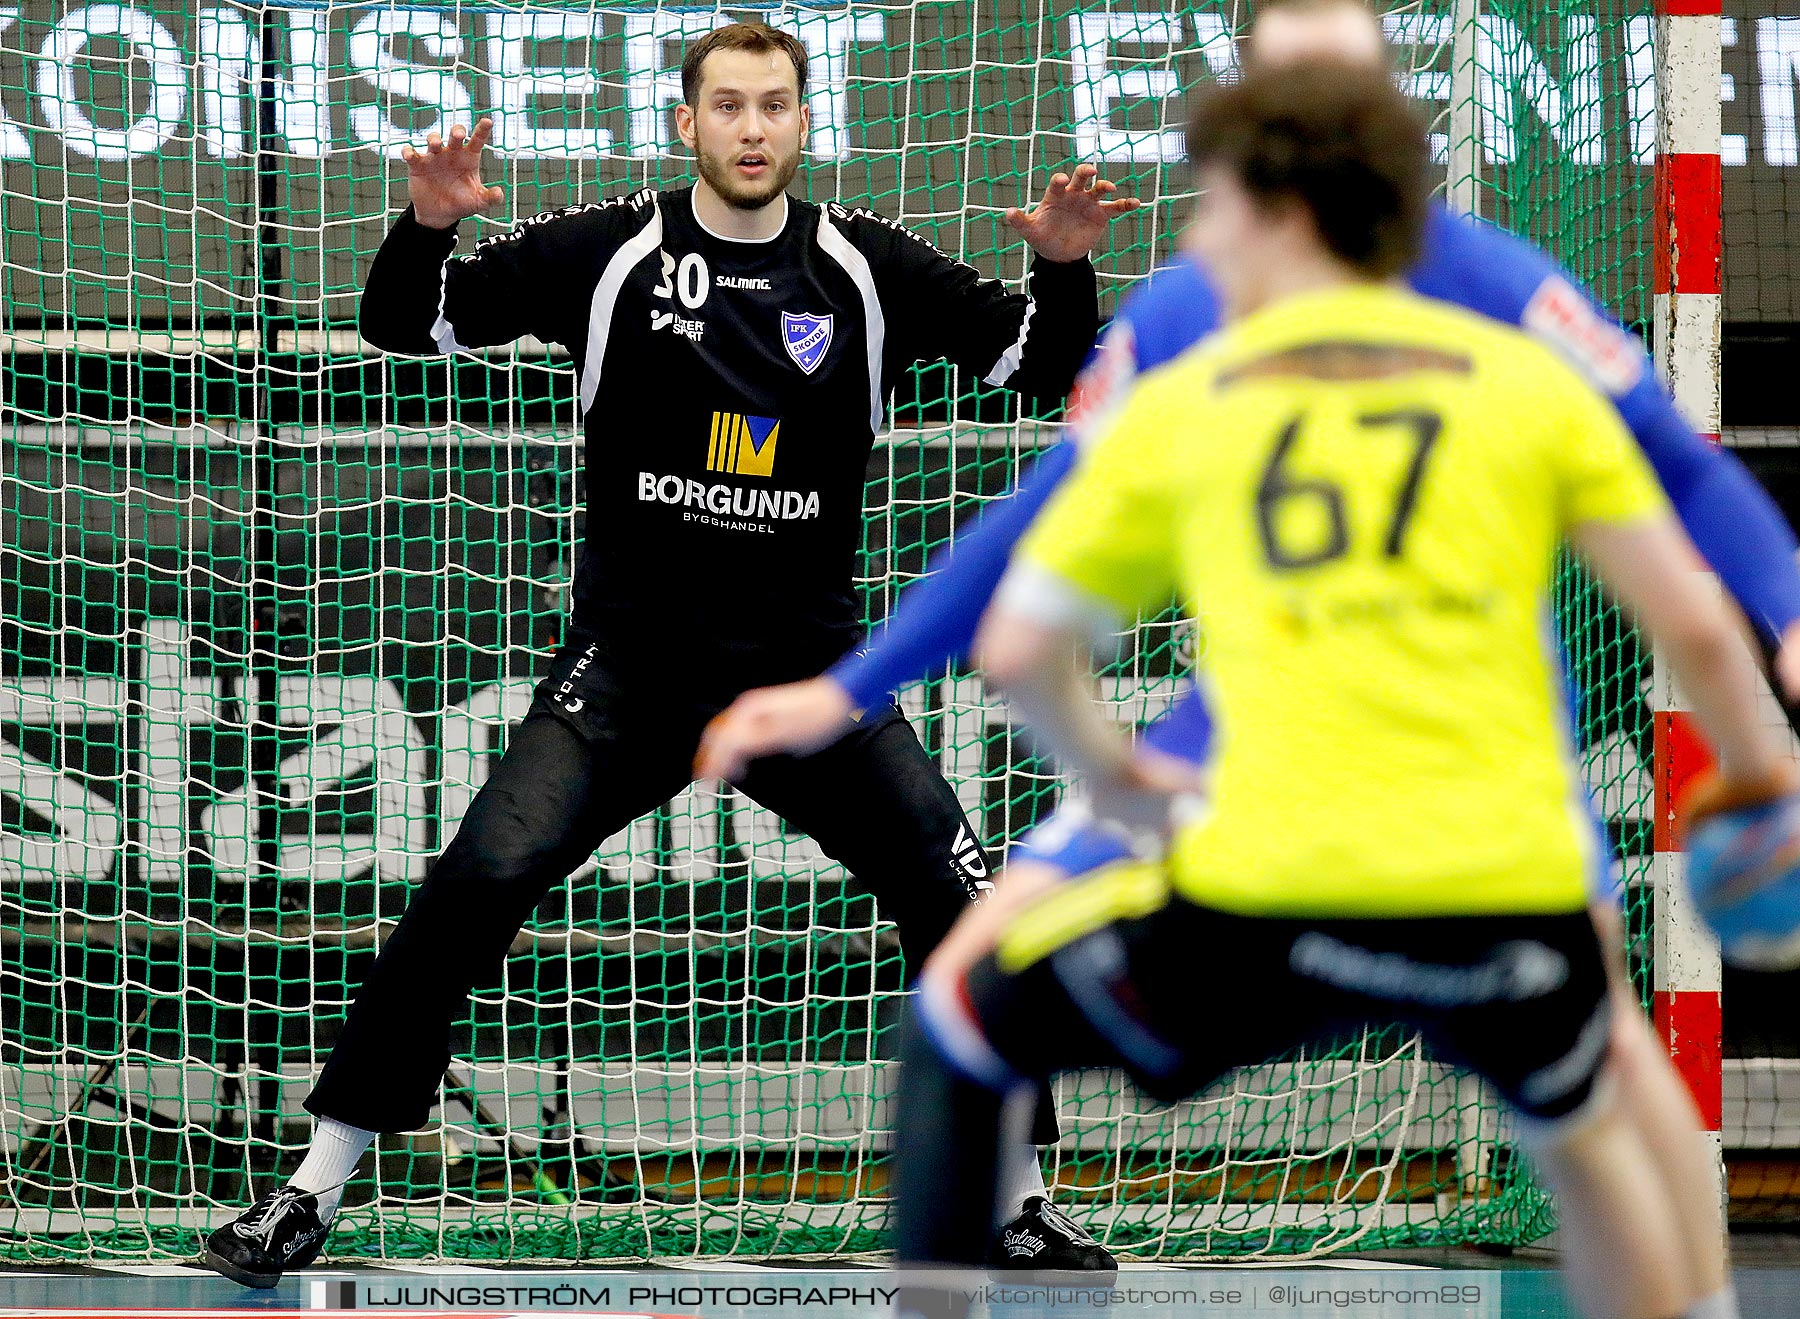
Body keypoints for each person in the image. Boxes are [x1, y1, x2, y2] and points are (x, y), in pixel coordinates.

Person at [698, 4, 1781, 1305]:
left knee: (967, 1012)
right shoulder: (1314, 329)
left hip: (1301, 819)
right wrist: (1770, 765)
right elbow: (1687, 592)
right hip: (1399, 783)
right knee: (1581, 1072)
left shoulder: (1465, 288)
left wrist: (1788, 596)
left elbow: (1027, 623)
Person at [201, 20, 1139, 1288]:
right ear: (687, 124)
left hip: (812, 682)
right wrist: (426, 226)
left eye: (776, 107)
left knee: (964, 901)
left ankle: (1018, 1201)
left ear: (805, 126)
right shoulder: (610, 252)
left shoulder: (864, 269)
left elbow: (1047, 364)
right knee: (477, 880)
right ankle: (307, 1190)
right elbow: (399, 326)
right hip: (628, 675)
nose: (753, 128)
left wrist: (1067, 270)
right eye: (729, 107)